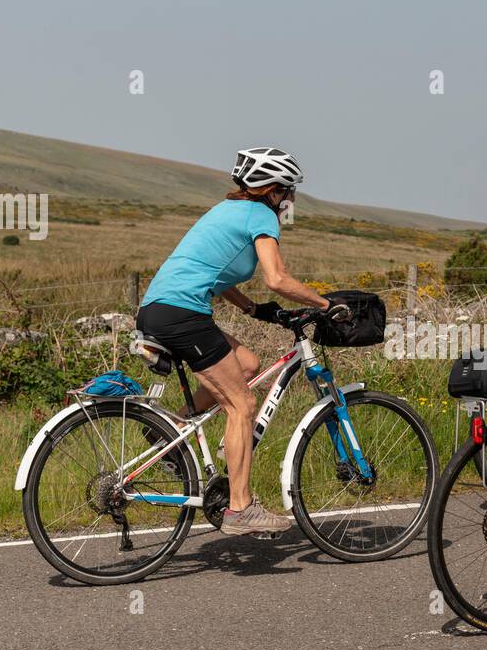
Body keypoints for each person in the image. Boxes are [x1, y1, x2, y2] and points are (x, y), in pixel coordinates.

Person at [135, 147, 336, 536]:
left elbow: (216, 271)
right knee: (242, 405)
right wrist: (326, 305)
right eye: (289, 191)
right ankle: (240, 509)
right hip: (182, 314)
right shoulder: (261, 215)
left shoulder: (226, 210)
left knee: (246, 365)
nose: (291, 199)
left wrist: (252, 309)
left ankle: (172, 425)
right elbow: (277, 278)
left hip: (160, 309)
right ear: (274, 190)